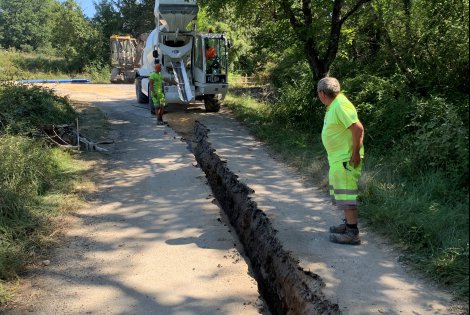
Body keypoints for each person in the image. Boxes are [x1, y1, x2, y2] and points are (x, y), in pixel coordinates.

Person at [317, 77, 365, 245]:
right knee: (342, 193)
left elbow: (358, 128)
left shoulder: (340, 105)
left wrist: (355, 154)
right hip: (339, 159)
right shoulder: (335, 104)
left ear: (322, 93)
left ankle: (352, 233)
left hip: (346, 159)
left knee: (346, 194)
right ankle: (347, 225)